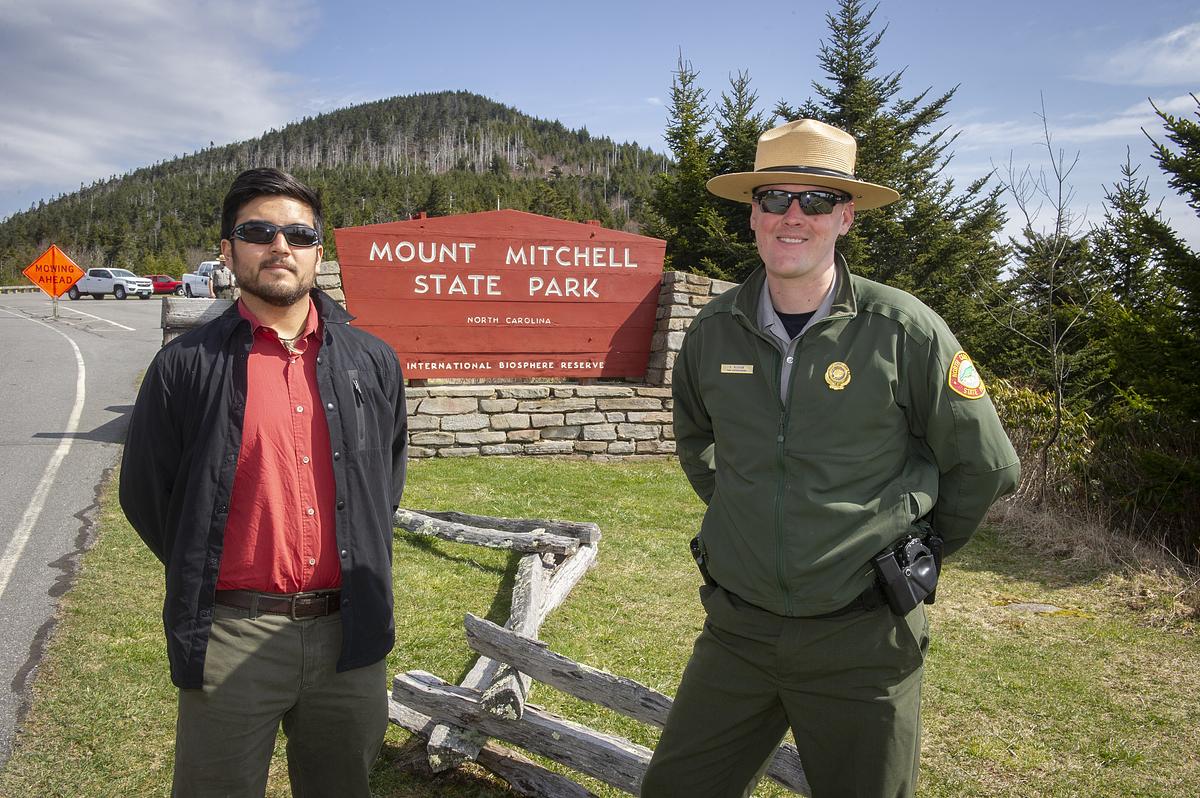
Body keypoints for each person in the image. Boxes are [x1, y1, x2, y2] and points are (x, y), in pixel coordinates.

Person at [641, 119, 1021, 798]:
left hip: (863, 642)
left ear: (845, 217)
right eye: (774, 198)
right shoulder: (713, 328)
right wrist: (745, 511)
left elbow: (986, 463)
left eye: (815, 201)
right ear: (752, 215)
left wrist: (918, 548)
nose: (793, 216)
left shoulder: (904, 330)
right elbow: (696, 440)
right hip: (738, 632)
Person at [120, 167, 408, 797]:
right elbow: (147, 495)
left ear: (318, 252)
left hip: (348, 639)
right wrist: (208, 561)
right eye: (259, 231)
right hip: (229, 637)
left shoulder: (373, 361)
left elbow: (384, 484)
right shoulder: (184, 366)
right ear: (229, 250)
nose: (282, 247)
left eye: (300, 235)